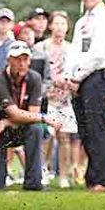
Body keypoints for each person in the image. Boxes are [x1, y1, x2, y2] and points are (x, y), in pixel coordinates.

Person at [0, 42, 61, 189]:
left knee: (35, 129)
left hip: (9, 126)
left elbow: (32, 114)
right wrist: (45, 118)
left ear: (30, 61)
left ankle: (34, 183)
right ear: (8, 60)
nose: (22, 64)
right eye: (17, 59)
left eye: (25, 59)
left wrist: (5, 122)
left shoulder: (34, 78)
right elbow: (16, 113)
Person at [68, 0, 105, 192]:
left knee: (97, 128)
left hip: (98, 76)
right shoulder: (82, 22)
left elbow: (98, 52)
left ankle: (102, 180)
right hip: (79, 79)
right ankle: (92, 177)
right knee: (85, 129)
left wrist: (78, 76)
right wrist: (69, 75)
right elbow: (74, 50)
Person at [33, 11, 79, 188]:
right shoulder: (41, 48)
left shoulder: (72, 48)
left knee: (64, 136)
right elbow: (36, 74)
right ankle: (43, 172)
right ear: (50, 26)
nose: (59, 27)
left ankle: (63, 176)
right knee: (46, 137)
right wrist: (48, 88)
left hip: (65, 97)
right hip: (46, 97)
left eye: (63, 24)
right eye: (56, 23)